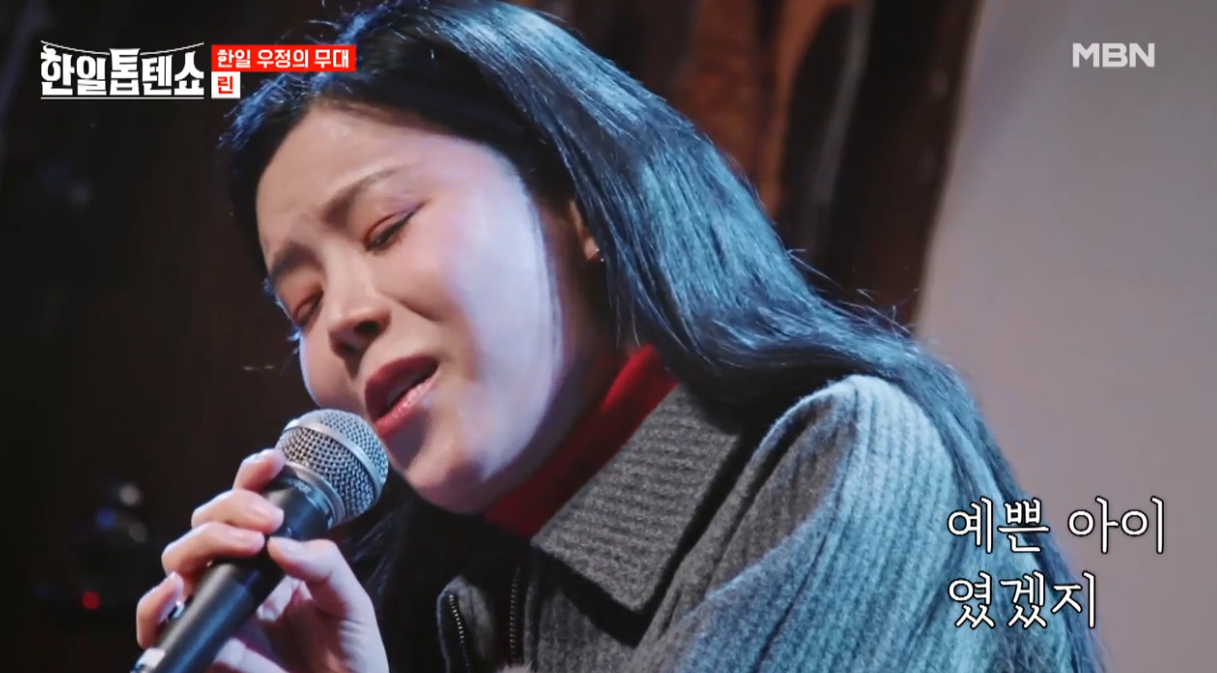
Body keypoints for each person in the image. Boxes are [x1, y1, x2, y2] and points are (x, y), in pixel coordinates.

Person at [135, 1, 1104, 671]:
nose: (344, 317)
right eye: (301, 306)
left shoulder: (840, 456)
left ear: (577, 204)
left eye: (386, 229)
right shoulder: (462, 599)